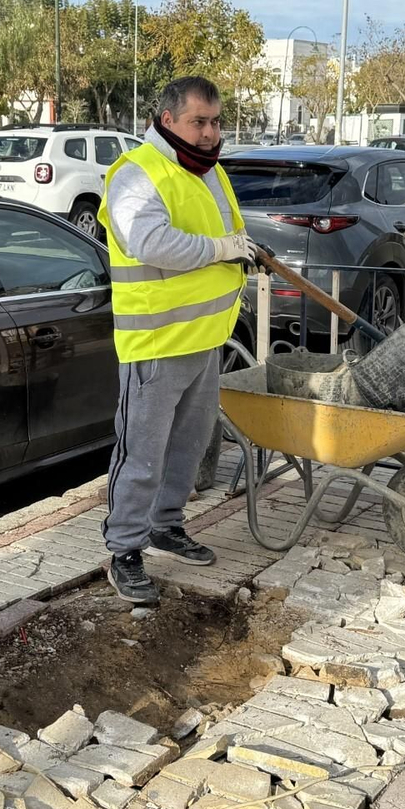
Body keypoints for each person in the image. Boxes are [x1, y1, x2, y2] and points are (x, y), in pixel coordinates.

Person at [98, 76, 253, 604]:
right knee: (141, 454)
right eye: (199, 122)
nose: (211, 133)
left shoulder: (206, 171)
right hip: (155, 345)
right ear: (168, 120)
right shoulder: (138, 174)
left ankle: (167, 525)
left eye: (215, 122)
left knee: (186, 449)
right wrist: (222, 249)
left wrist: (240, 253)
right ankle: (124, 550)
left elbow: (224, 235)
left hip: (203, 340)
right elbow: (149, 241)